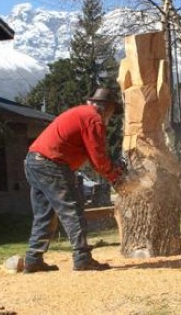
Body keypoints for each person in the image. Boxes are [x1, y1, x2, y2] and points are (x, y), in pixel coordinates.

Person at [23, 88, 123, 273]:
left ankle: (33, 259)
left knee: (44, 214)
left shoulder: (80, 113)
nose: (111, 117)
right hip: (52, 164)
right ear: (106, 108)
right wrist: (116, 177)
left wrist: (110, 172)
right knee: (73, 210)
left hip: (34, 160)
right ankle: (82, 258)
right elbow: (98, 158)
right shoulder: (94, 119)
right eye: (111, 112)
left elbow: (92, 156)